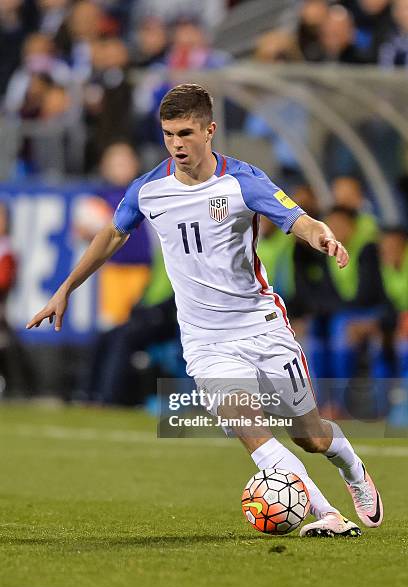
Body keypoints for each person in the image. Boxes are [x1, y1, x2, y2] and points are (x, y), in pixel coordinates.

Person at [27, 83, 383, 537]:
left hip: (262, 327)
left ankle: (353, 470)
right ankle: (327, 515)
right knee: (252, 432)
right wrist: (66, 288)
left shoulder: (242, 181)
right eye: (168, 134)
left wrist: (323, 236)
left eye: (186, 133)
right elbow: (111, 235)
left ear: (210, 130)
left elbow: (296, 219)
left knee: (310, 435)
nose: (177, 144)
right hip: (205, 341)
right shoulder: (149, 189)